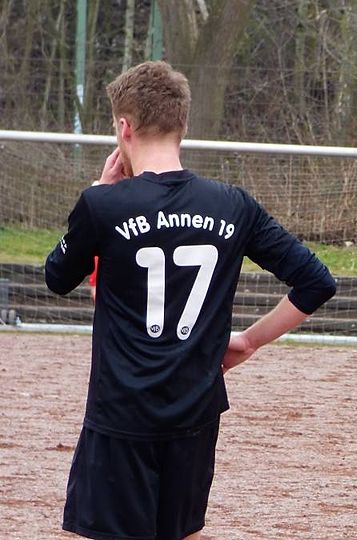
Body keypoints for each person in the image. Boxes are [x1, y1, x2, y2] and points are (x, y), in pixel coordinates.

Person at [44, 61, 337, 540]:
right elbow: (317, 282)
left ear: (124, 127)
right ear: (182, 125)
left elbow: (57, 277)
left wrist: (98, 191)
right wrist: (249, 341)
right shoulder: (233, 204)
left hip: (121, 412)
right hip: (195, 411)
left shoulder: (102, 205)